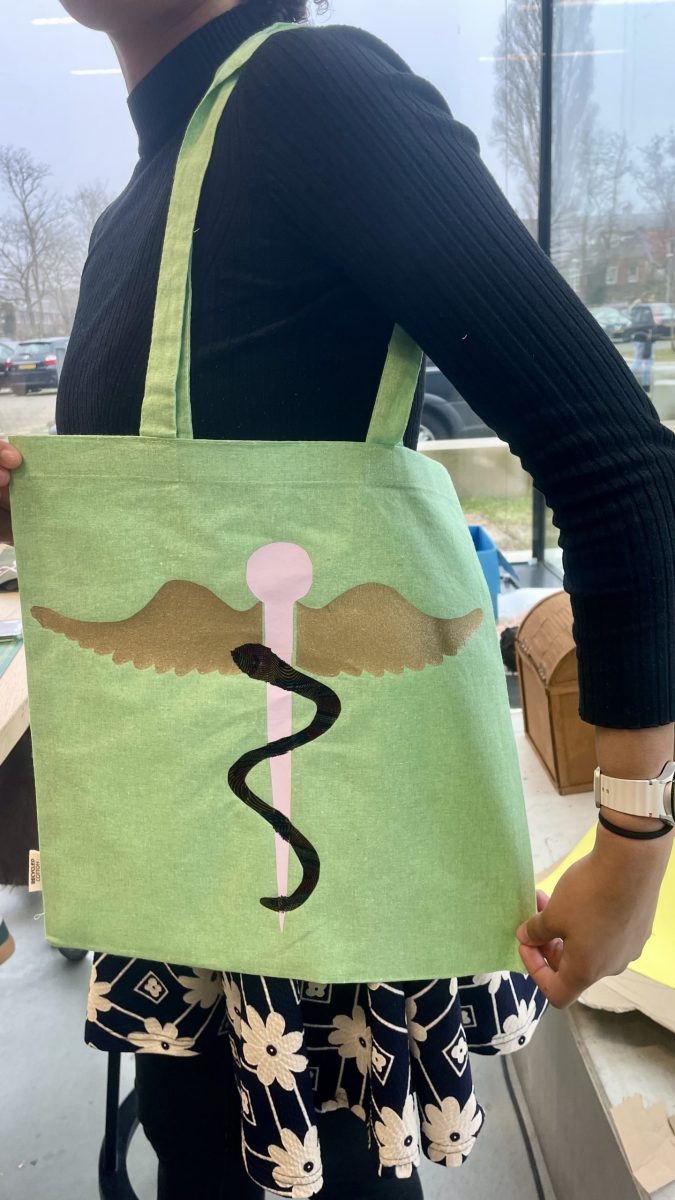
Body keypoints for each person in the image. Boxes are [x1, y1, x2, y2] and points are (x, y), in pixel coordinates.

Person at [1, 0, 673, 1195]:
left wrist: (632, 840)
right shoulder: (138, 203)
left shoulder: (310, 95)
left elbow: (628, 470)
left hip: (312, 929)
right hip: (183, 895)